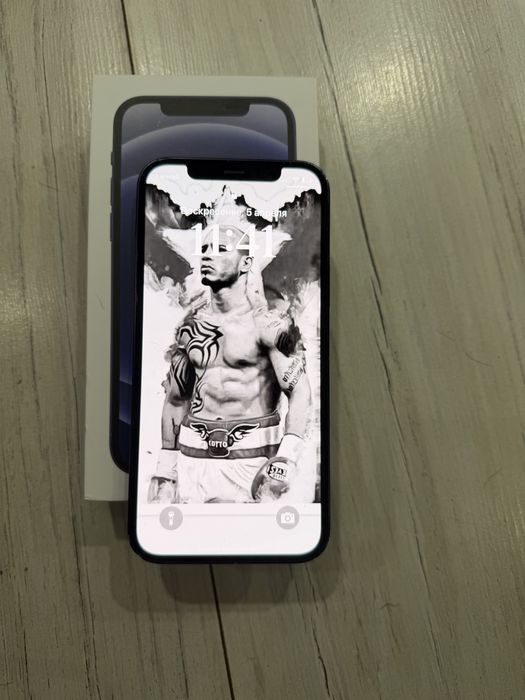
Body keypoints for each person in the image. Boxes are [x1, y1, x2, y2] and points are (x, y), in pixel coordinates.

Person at [147, 223, 312, 503]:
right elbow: (175, 399)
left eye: (220, 249)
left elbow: (299, 390)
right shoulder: (191, 328)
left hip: (255, 461)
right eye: (204, 249)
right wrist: (166, 469)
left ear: (246, 263)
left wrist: (287, 456)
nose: (207, 255)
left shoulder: (269, 326)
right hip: (194, 460)